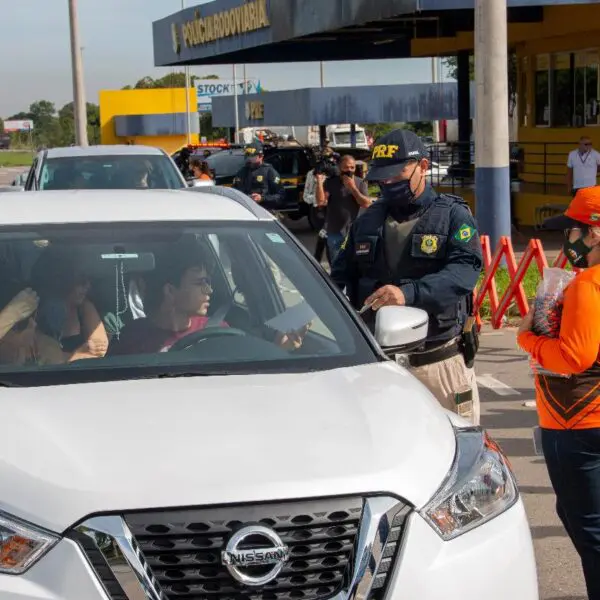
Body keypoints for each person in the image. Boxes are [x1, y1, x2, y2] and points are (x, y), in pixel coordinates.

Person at [330, 129, 483, 424]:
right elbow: (339, 277)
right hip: (379, 367)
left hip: (438, 363)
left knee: (457, 452)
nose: (388, 183)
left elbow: (463, 273)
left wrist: (408, 294)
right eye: (382, 177)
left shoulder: (453, 216)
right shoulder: (368, 219)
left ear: (423, 166)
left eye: (396, 176)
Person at [517, 187, 600, 600]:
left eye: (573, 231)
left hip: (578, 423)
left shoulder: (587, 285)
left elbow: (573, 357)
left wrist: (528, 338)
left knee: (590, 530)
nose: (567, 241)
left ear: (595, 233)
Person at [32, 252, 109, 362]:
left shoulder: (84, 307)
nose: (88, 286)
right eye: (81, 281)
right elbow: (43, 360)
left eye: (89, 280)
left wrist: (70, 357)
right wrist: (77, 355)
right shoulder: (35, 313)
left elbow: (99, 350)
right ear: (62, 282)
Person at [315, 154, 372, 262]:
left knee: (354, 265)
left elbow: (366, 204)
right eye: (346, 167)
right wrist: (319, 183)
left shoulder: (360, 182)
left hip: (354, 232)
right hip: (335, 231)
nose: (349, 170)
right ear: (340, 168)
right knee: (337, 265)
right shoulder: (332, 182)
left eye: (352, 167)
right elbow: (321, 202)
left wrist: (352, 187)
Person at [232, 143, 285, 210]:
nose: (249, 158)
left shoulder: (269, 171)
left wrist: (262, 198)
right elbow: (234, 192)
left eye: (252, 156)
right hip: (245, 211)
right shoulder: (241, 172)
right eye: (248, 155)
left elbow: (280, 196)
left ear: (261, 156)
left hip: (264, 212)